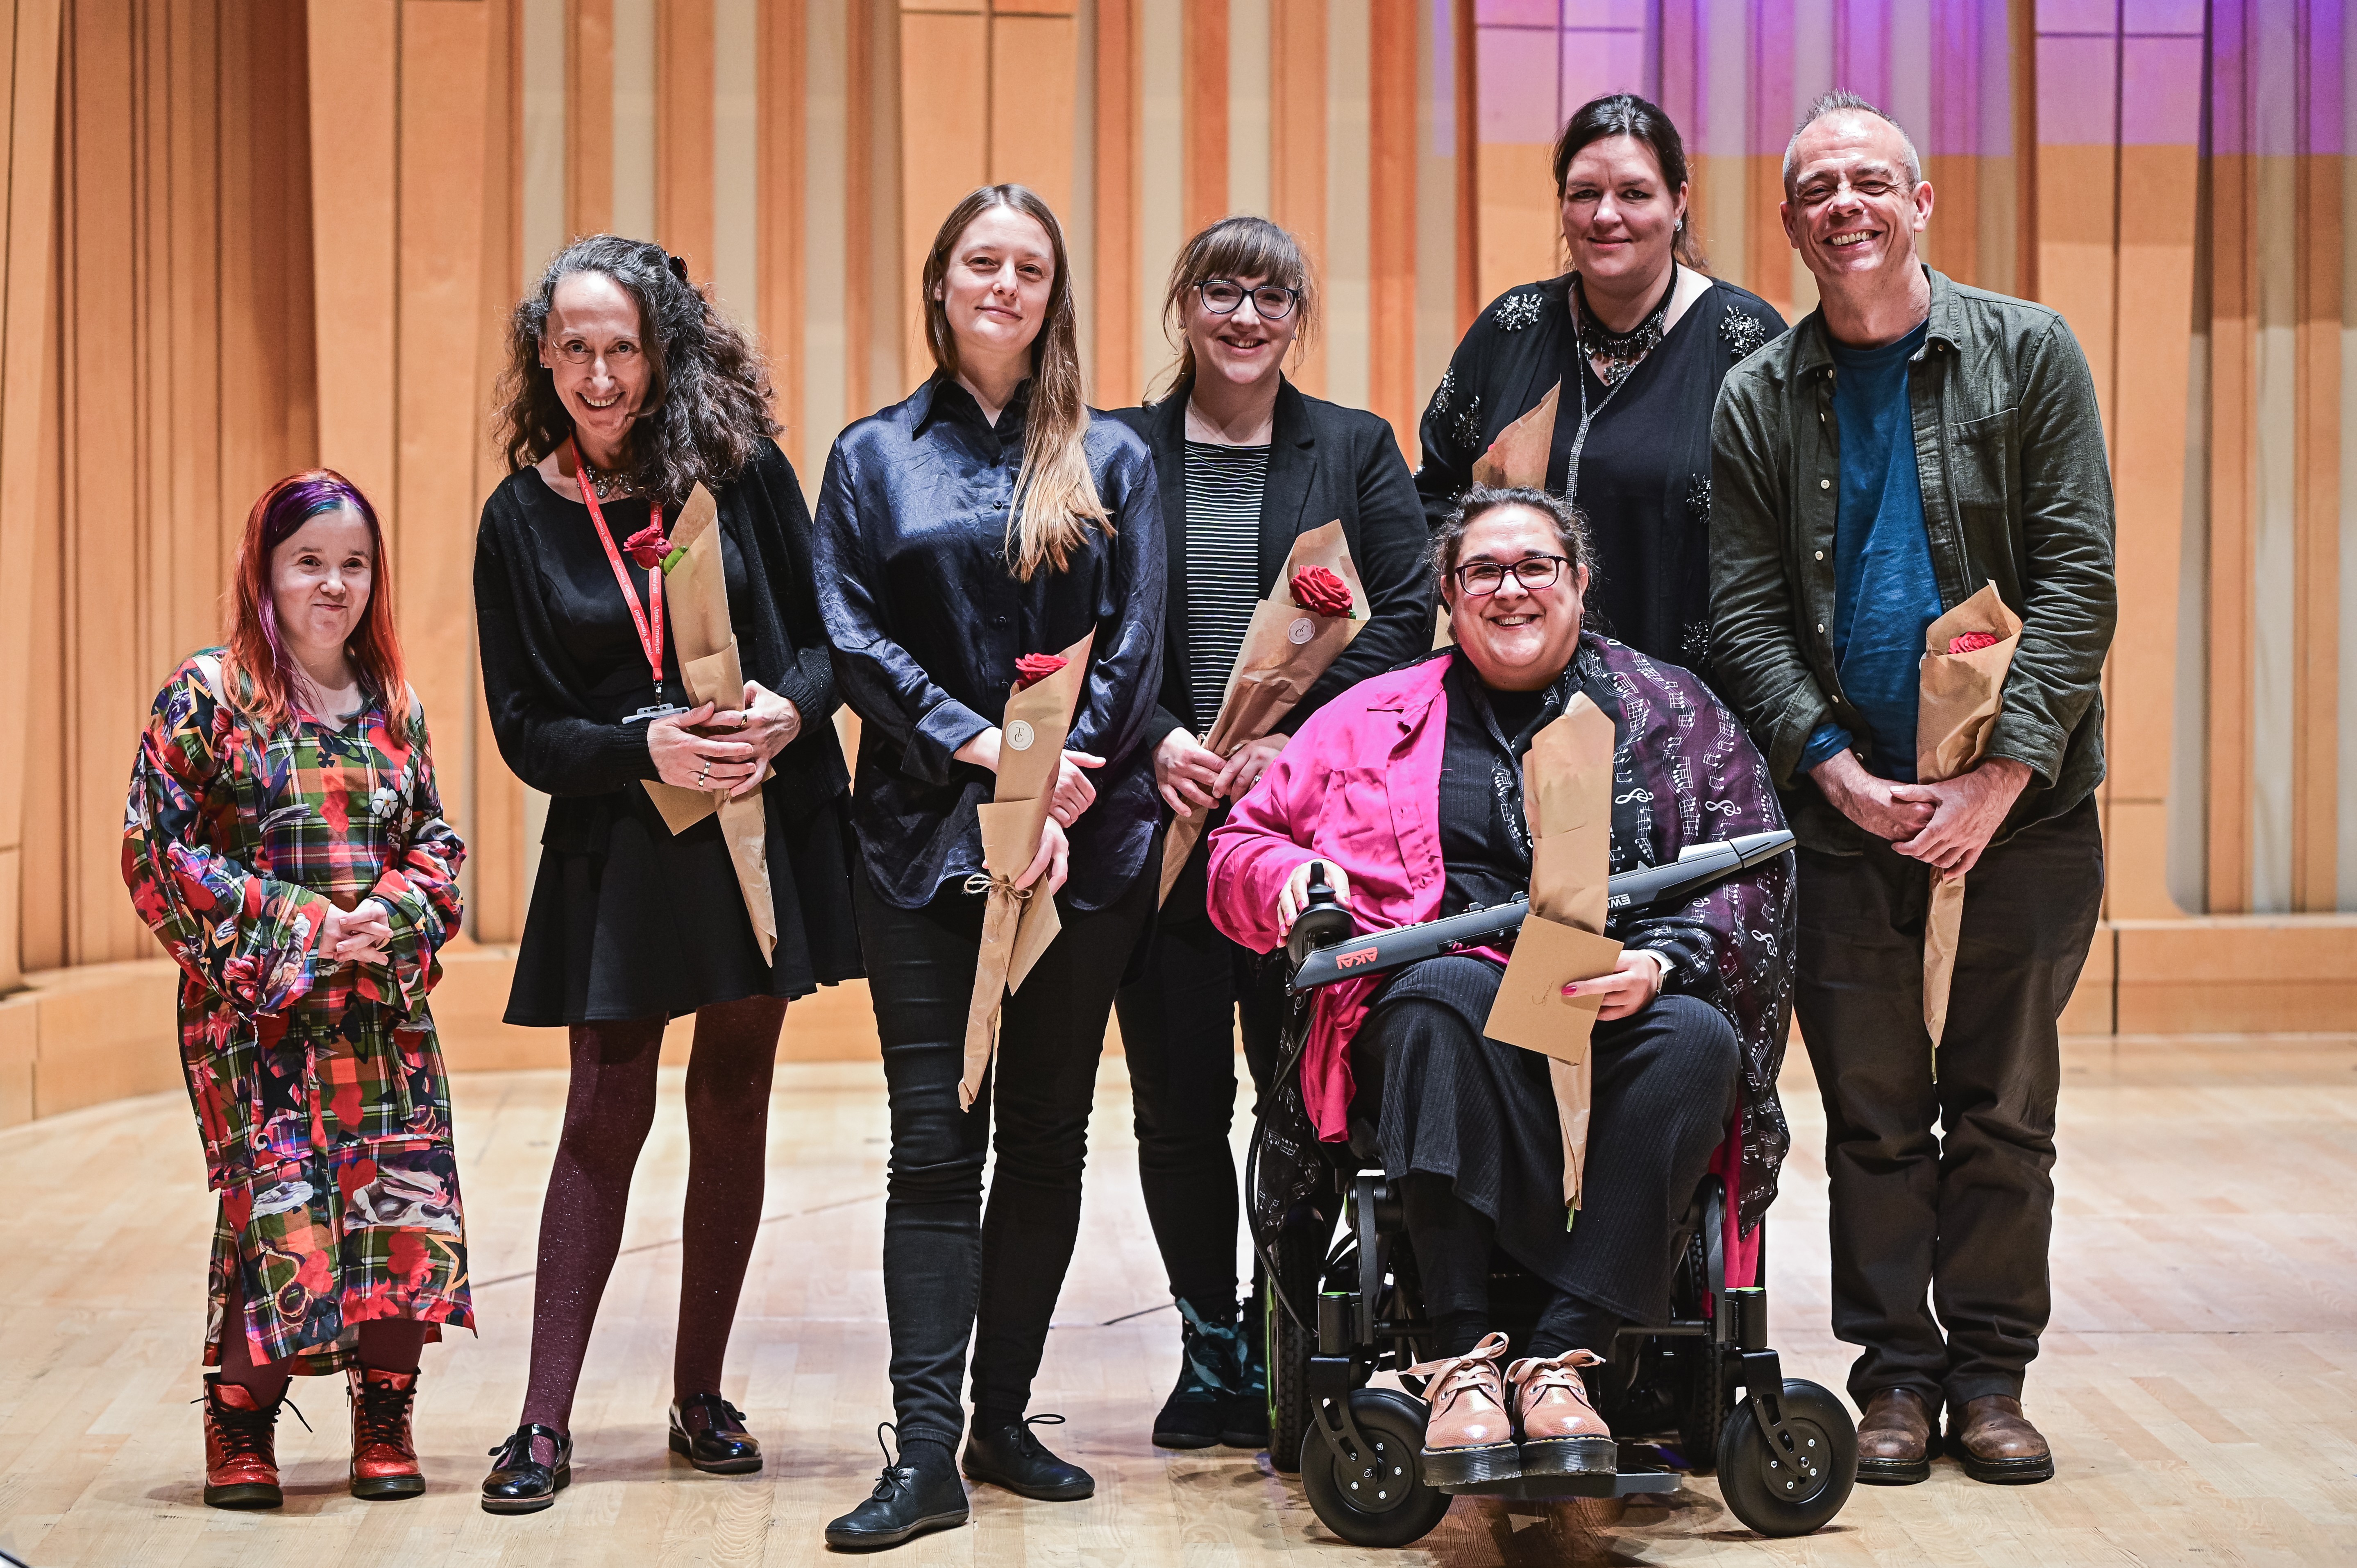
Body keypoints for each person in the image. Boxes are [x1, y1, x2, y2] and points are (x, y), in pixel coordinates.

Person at [1207, 486, 1794, 1481]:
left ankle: (1564, 1361)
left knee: (1699, 1039)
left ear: (1580, 582)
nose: (1511, 589)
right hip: (1454, 1015)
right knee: (1439, 995)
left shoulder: (1674, 711)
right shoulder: (1369, 717)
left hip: (1616, 1008)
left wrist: (1658, 965)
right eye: (1484, 570)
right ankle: (1458, 1360)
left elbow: (1756, 875)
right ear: (1448, 592)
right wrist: (1290, 882)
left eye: (1536, 567)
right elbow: (1241, 842)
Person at [1710, 91, 2115, 1486]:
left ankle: (1991, 1373)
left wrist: (2001, 776)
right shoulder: (1758, 391)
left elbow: (2078, 580)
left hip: (2027, 817)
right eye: (1816, 187)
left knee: (2000, 1102)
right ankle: (1893, 1376)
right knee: (1874, 1113)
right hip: (1848, 817)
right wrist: (1834, 767)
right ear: (1788, 224)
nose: (1844, 204)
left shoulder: (2028, 352)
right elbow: (1746, 611)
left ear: (1921, 201)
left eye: (1869, 180)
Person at [472, 235, 861, 1512]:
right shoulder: (519, 519)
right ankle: (541, 1423)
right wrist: (643, 744)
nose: (599, 374)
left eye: (622, 347)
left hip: (757, 822)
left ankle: (700, 1392)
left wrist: (784, 718)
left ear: (661, 351)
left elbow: (823, 646)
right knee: (603, 1113)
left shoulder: (739, 481)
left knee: (735, 1101)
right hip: (624, 843)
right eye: (575, 348)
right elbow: (526, 729)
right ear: (544, 353)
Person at [811, 185, 1165, 1550]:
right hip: (916, 839)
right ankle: (923, 1451)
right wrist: (980, 748)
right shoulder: (871, 455)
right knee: (931, 1141)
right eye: (981, 261)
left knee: (1048, 1138)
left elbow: (1133, 641)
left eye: (1028, 266)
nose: (1003, 283)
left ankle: (1004, 1415)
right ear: (940, 283)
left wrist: (1061, 771)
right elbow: (847, 633)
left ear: (1051, 292)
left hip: (1082, 840)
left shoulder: (1112, 455)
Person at [1105, 215, 1435, 1450]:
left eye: (1271, 296)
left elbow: (1407, 613)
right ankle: (1209, 1347)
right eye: (1221, 291)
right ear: (1181, 306)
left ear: (1299, 315)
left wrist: (1292, 741)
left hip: (1305, 836)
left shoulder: (1352, 448)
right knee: (1177, 1106)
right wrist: (1156, 741)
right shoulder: (1116, 450)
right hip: (1161, 827)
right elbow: (1082, 619)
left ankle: (1290, 1333)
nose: (1246, 317)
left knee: (1300, 1100)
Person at [125, 470, 469, 1510]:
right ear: (265, 573)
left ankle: (385, 1418)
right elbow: (155, 852)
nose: (334, 585)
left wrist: (393, 917)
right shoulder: (207, 694)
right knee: (279, 1211)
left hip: (381, 1014)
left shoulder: (394, 703)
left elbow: (436, 845)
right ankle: (241, 1425)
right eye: (309, 562)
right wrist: (302, 924)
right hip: (256, 1020)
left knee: (399, 1207)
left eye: (353, 564)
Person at [1416, 93, 1784, 675]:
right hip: (1509, 692)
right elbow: (1436, 497)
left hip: (1691, 702)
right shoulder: (1511, 329)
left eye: (1633, 194)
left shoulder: (1744, 341)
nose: (1604, 215)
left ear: (1678, 200)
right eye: (1584, 194)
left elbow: (1787, 541)